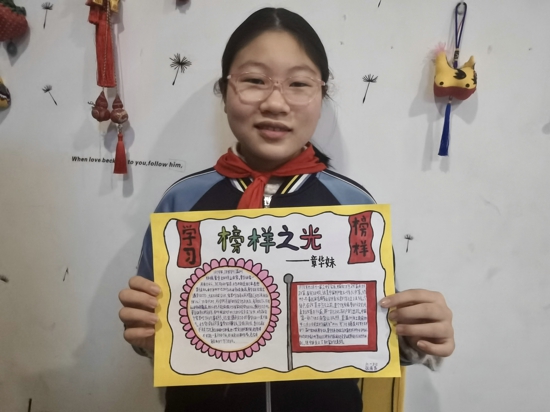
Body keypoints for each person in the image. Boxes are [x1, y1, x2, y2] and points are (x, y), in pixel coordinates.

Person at [118, 7, 454, 412]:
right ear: (224, 92)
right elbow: (158, 336)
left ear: (321, 96)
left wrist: (418, 338)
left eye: (298, 83)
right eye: (254, 81)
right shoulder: (181, 203)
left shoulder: (354, 207)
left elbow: (375, 334)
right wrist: (147, 336)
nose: (276, 103)